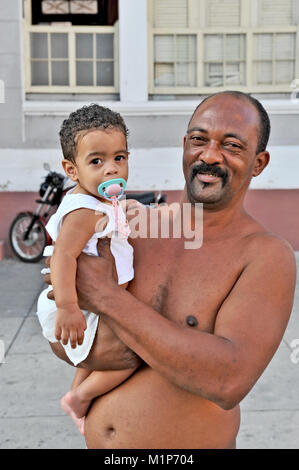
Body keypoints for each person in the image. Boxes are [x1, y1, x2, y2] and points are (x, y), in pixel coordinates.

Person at [45, 91, 296, 449]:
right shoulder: (131, 227)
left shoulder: (266, 255)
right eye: (199, 139)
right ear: (184, 145)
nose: (209, 155)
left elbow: (227, 380)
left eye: (232, 145)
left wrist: (107, 298)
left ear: (258, 163)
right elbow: (62, 333)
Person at [36, 104, 138, 436]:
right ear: (72, 169)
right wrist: (67, 308)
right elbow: (62, 258)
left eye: (119, 158)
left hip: (91, 306)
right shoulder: (82, 211)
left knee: (95, 359)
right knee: (135, 355)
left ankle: (76, 395)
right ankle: (82, 397)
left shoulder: (101, 201)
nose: (111, 169)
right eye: (97, 161)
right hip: (77, 308)